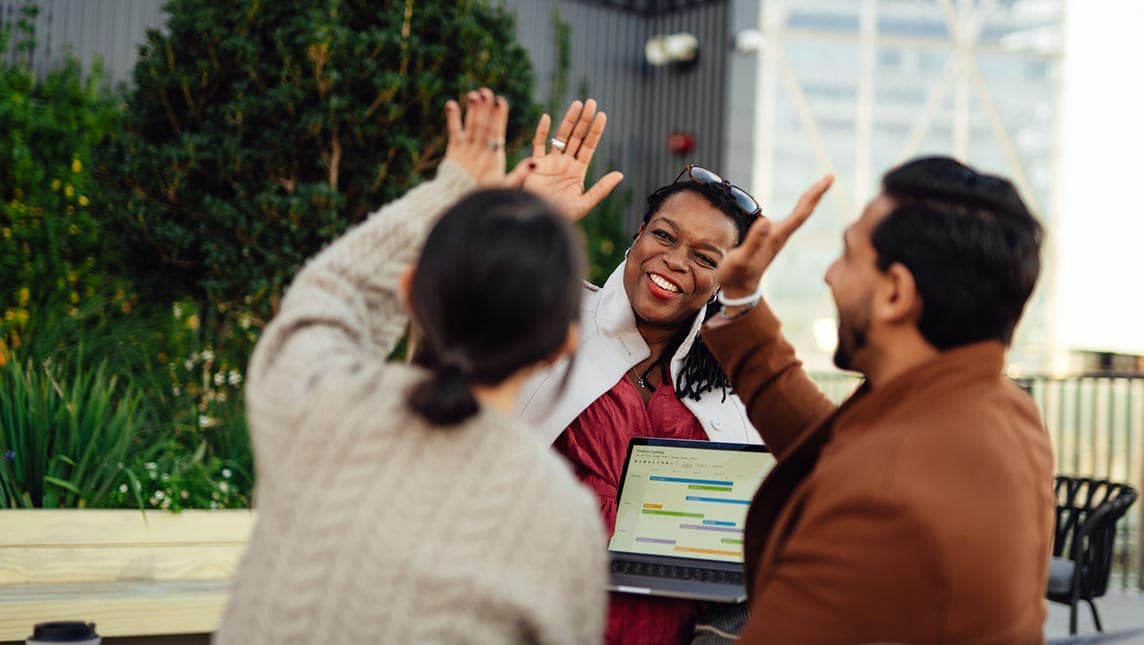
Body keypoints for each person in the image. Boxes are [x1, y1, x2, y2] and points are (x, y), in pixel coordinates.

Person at [215, 89, 607, 644]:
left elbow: (332, 290)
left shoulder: (314, 402)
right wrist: (526, 237)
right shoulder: (561, 519)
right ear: (563, 344)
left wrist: (457, 188)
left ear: (410, 294)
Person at [701, 156, 1055, 643]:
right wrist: (740, 298)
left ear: (895, 293)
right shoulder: (1000, 408)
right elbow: (828, 444)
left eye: (847, 255)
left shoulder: (885, 498)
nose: (828, 275)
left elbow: (868, 472)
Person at [516, 109, 765, 642]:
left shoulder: (733, 393)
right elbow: (454, 319)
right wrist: (527, 224)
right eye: (665, 236)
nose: (676, 261)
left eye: (704, 256)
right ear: (638, 236)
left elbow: (750, 554)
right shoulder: (546, 318)